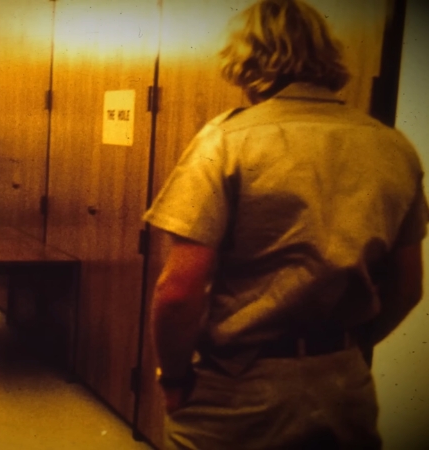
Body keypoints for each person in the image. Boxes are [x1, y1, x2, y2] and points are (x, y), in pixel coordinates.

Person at [143, 1, 428, 448]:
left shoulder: (227, 141)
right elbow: (408, 287)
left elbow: (178, 291)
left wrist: (173, 379)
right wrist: (344, 347)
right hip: (345, 387)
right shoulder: (393, 147)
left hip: (238, 393)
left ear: (245, 60)